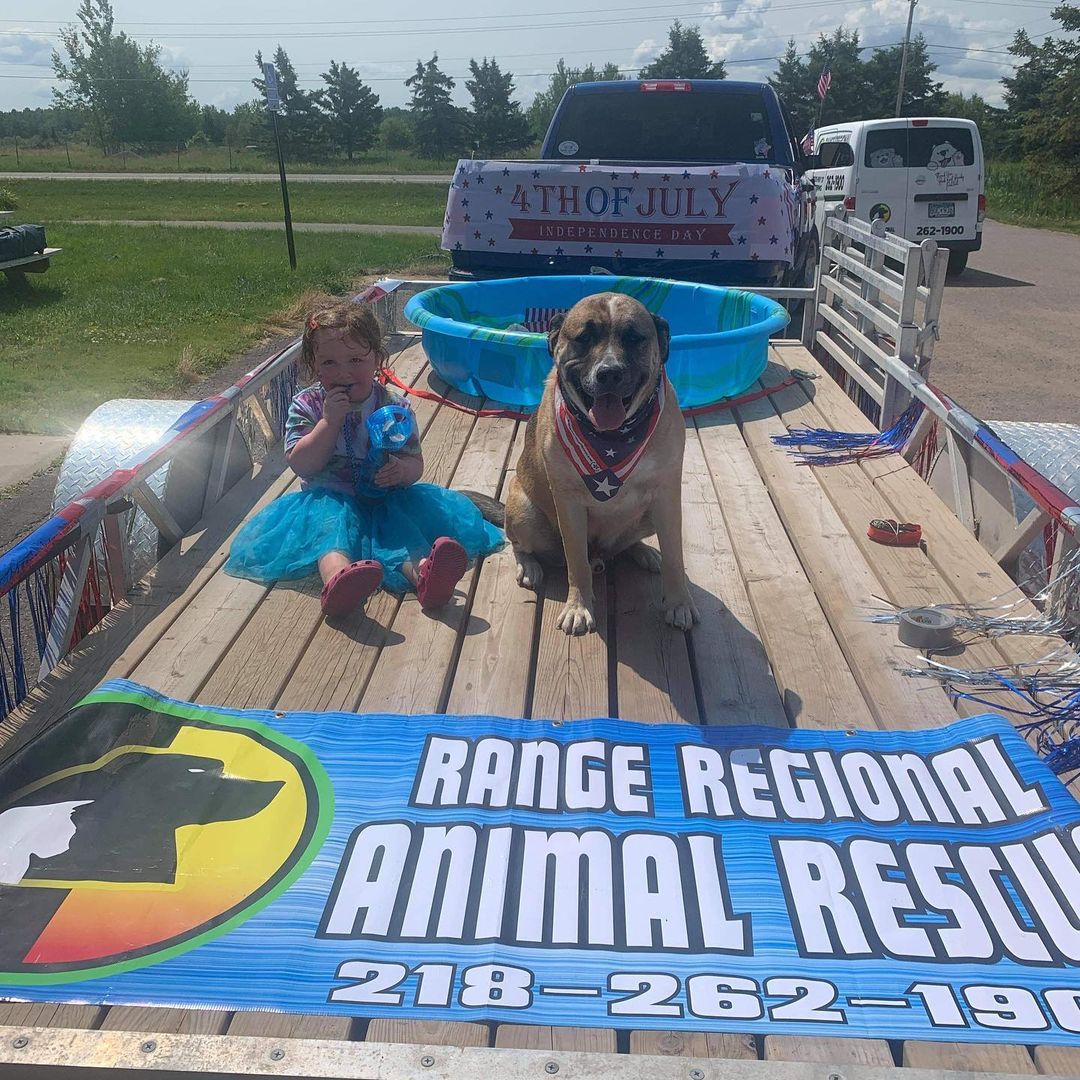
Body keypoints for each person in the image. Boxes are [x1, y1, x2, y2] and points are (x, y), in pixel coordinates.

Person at [225, 299, 503, 617]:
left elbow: (415, 464)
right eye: (329, 362)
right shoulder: (309, 406)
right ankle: (339, 582)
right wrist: (329, 423)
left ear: (377, 358)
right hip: (330, 499)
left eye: (355, 359)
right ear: (313, 364)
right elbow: (302, 464)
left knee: (399, 528)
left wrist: (400, 471)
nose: (343, 371)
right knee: (330, 529)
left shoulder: (391, 407)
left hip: (386, 498)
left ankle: (426, 576)